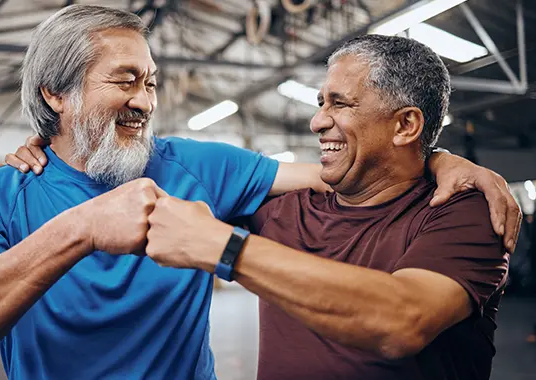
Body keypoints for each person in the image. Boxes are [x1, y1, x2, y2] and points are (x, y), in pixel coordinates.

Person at [0, 6, 518, 380]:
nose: (145, 100)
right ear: (55, 94)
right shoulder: (1, 193)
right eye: (125, 80)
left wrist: (438, 155)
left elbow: (344, 169)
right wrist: (81, 228)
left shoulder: (196, 165)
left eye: (150, 82)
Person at [136, 35, 515, 380]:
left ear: (405, 126)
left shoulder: (464, 212)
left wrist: (226, 248)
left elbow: (402, 321)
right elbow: (150, 163)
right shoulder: (281, 209)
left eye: (339, 103)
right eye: (321, 103)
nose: (317, 121)